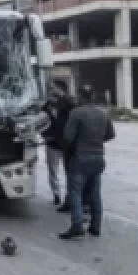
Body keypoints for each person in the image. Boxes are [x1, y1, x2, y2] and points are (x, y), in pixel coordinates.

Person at [59, 85, 114, 239]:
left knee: (76, 192)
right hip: (98, 157)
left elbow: (68, 137)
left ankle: (77, 225)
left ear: (81, 97)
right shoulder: (102, 114)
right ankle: (95, 226)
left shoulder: (76, 113)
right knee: (95, 193)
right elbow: (110, 135)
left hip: (80, 157)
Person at [42, 80, 76, 208]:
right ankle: (56, 194)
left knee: (69, 171)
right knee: (52, 170)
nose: (51, 89)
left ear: (61, 89)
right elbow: (42, 117)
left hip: (65, 143)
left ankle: (69, 196)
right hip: (51, 142)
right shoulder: (48, 104)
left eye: (54, 87)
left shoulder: (69, 102)